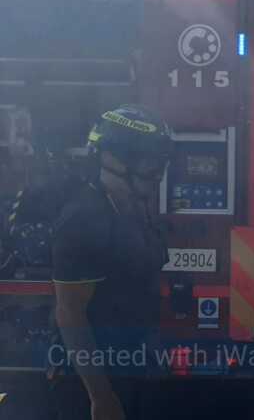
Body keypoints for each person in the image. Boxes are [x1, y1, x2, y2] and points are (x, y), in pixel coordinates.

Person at [50, 105, 172, 420]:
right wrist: (100, 398)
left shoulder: (131, 207)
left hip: (132, 362)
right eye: (149, 161)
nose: (158, 171)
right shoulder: (84, 218)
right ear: (113, 159)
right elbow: (70, 314)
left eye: (160, 160)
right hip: (94, 378)